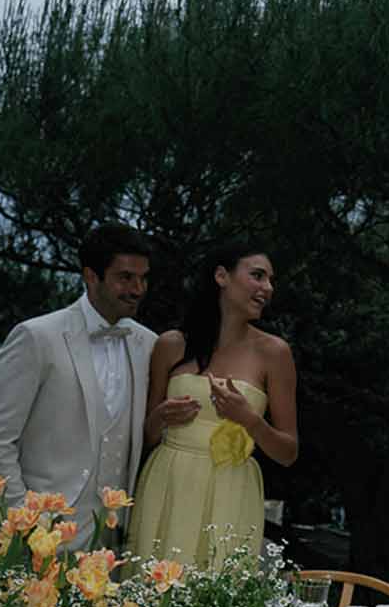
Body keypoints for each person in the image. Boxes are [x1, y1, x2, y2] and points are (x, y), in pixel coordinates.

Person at [127, 240, 297, 569]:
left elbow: (288, 452)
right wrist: (160, 417)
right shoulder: (170, 345)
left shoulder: (274, 353)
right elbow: (145, 437)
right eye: (258, 276)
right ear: (222, 276)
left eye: (270, 280)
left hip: (232, 488)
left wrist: (249, 420)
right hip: (169, 483)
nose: (268, 288)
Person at [0, 223, 156, 529]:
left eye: (143, 278)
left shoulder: (150, 345)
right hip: (40, 526)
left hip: (112, 535)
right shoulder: (36, 336)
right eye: (125, 277)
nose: (137, 289)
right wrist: (20, 521)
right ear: (91, 276)